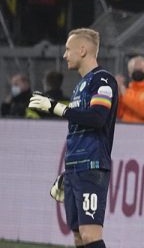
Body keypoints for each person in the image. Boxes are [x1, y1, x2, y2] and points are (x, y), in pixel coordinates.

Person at [27, 28, 118, 248]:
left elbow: (97, 117)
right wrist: (68, 172)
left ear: (83, 50)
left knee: (90, 236)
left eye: (68, 49)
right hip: (76, 169)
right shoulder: (79, 87)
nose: (65, 55)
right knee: (78, 237)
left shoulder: (103, 80)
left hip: (92, 166)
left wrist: (56, 107)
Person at [116, 55, 144, 124]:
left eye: (140, 70)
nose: (137, 72)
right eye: (134, 70)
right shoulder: (130, 89)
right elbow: (119, 114)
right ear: (130, 74)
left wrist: (124, 94)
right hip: (126, 128)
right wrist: (118, 94)